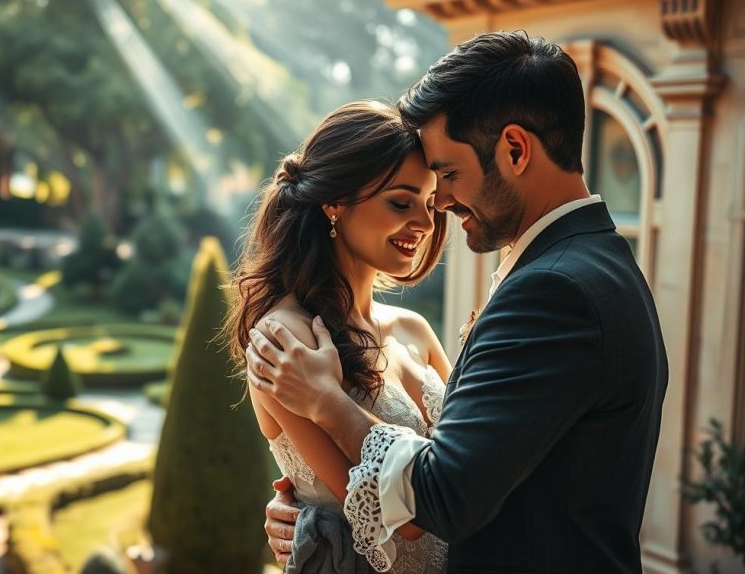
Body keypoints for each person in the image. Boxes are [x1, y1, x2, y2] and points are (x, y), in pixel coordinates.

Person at [247, 31, 668, 573]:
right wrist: (313, 517)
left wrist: (329, 403)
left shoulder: (553, 290)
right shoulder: (594, 263)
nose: (439, 207)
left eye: (446, 175)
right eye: (411, 196)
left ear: (515, 149)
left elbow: (441, 494)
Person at [223, 99, 450, 572]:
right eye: (401, 201)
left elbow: (471, 466)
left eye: (429, 204)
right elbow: (402, 519)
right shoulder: (285, 341)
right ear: (335, 202)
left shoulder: (415, 330)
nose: (426, 224)